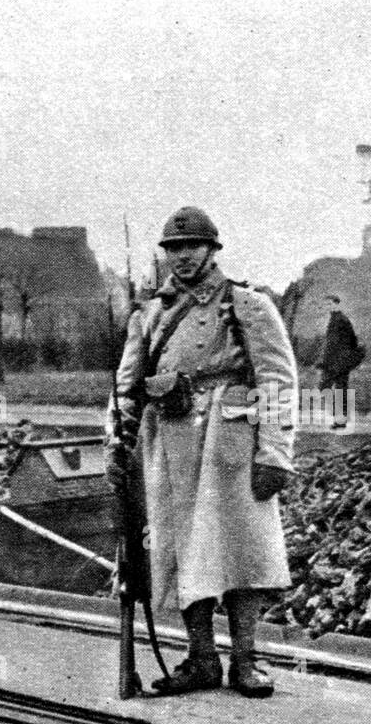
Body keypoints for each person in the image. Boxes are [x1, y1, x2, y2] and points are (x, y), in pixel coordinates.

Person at [113, 206, 298, 697]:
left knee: (239, 549)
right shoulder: (151, 313)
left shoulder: (247, 305)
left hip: (231, 442)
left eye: (192, 246)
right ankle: (200, 659)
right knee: (179, 548)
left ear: (212, 250)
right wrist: (119, 441)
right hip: (170, 445)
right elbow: (127, 388)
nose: (182, 257)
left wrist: (275, 454)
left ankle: (246, 660)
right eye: (173, 248)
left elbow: (278, 382)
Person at [317, 294, 363, 429]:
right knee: (339, 389)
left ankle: (340, 419)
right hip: (339, 362)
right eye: (326, 304)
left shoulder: (340, 320)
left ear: (337, 304)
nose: (327, 307)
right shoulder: (337, 319)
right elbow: (352, 340)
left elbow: (336, 343)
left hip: (337, 362)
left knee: (326, 388)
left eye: (330, 304)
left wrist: (331, 359)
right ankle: (341, 420)